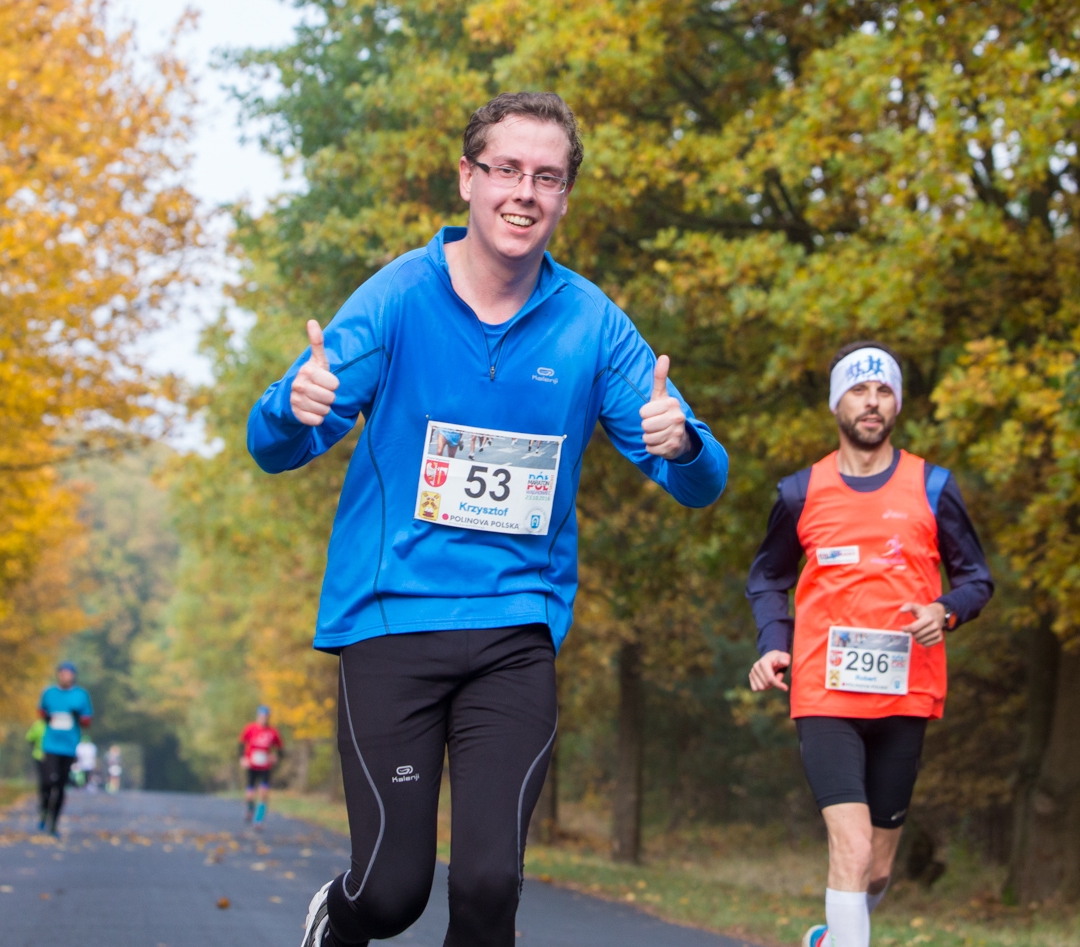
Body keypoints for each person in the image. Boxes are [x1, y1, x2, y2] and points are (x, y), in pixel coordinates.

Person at [248, 92, 728, 947]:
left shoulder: (590, 322)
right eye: (506, 170)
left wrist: (683, 442)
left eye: (547, 177)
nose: (524, 193)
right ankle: (340, 916)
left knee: (487, 885)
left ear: (565, 198)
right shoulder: (397, 297)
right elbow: (276, 442)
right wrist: (293, 404)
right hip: (392, 622)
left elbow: (697, 480)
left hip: (515, 628)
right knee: (393, 890)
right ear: (467, 178)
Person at [744, 344, 993, 947]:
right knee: (850, 847)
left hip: (906, 694)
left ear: (897, 403)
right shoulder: (801, 493)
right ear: (838, 403)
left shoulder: (932, 486)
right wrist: (775, 641)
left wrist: (944, 610)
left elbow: (977, 579)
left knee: (877, 866)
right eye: (858, 390)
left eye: (883, 391)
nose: (872, 401)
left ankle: (834, 936)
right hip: (824, 690)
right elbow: (768, 576)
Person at [36, 661, 92, 837]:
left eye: (68, 674)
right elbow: (41, 712)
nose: (65, 676)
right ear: (58, 675)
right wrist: (48, 717)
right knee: (47, 781)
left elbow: (87, 720)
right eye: (62, 673)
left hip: (69, 746)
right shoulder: (49, 693)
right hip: (50, 744)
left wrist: (79, 717)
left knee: (60, 785)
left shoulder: (81, 695)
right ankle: (44, 810)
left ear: (73, 676)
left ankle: (54, 822)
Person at [239, 705, 283, 825]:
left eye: (265, 717)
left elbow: (280, 748)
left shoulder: (272, 732)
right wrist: (243, 758)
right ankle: (250, 809)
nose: (263, 719)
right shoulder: (250, 728)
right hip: (252, 764)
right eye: (261, 716)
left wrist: (275, 757)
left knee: (264, 792)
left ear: (268, 717)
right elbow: (241, 743)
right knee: (250, 794)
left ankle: (258, 818)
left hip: (265, 766)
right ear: (258, 716)